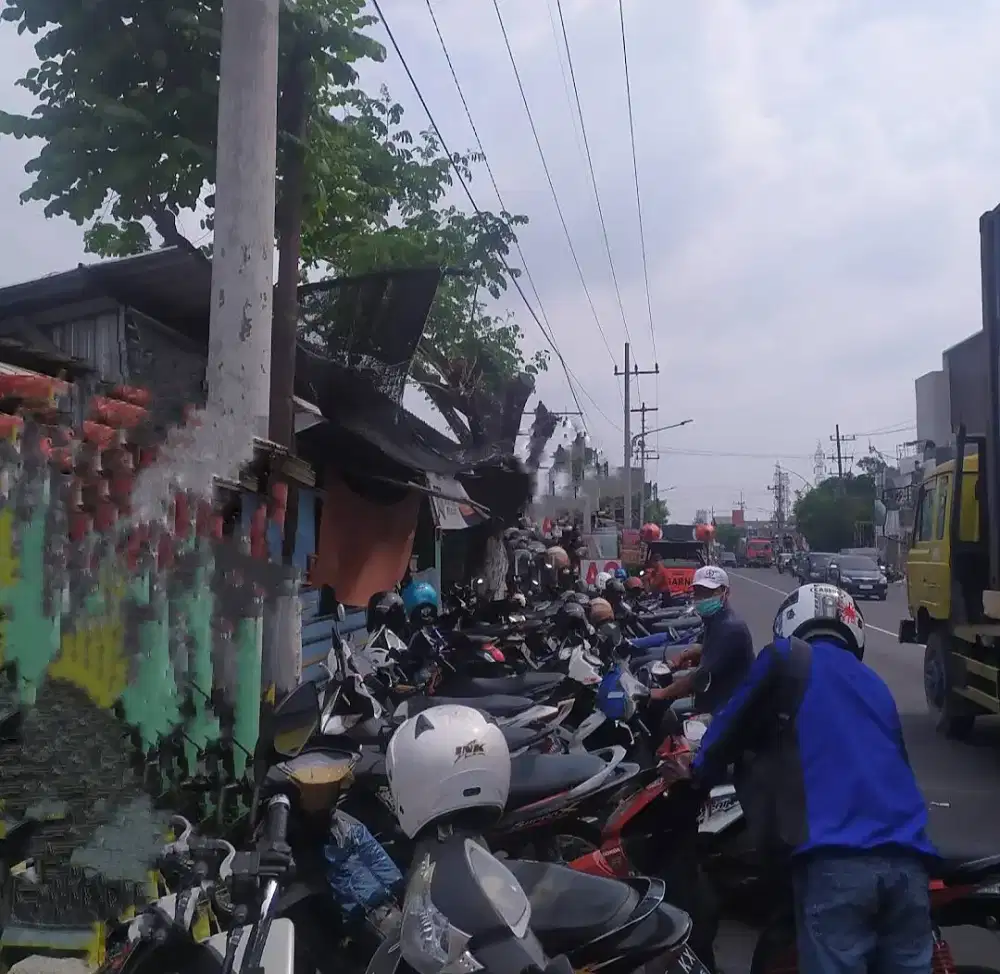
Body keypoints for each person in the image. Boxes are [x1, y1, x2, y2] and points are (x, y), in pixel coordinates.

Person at [691, 583, 936, 974]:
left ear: (791, 622)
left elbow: (727, 727)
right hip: (909, 865)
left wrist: (695, 773)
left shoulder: (786, 657)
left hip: (837, 862)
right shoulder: (876, 685)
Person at [650, 565, 753, 715]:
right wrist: (687, 654)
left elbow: (699, 676)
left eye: (710, 592)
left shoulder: (730, 628)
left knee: (671, 713)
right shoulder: (715, 620)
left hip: (729, 707)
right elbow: (712, 648)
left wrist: (662, 693)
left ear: (725, 592)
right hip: (717, 695)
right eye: (699, 593)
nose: (703, 598)